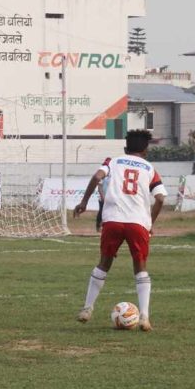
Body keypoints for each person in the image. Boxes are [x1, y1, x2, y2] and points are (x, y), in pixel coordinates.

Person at [72, 129, 168, 332]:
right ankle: (144, 317)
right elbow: (160, 198)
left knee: (103, 264)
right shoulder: (150, 168)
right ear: (146, 151)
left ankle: (87, 309)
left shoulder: (113, 161)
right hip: (138, 223)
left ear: (125, 148)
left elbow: (97, 177)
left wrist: (83, 202)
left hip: (113, 220)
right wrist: (149, 223)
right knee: (140, 267)